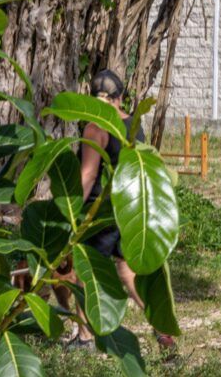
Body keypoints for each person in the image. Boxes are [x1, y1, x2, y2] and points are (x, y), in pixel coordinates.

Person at [64, 69, 176, 353]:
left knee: (82, 271)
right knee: (127, 272)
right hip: (126, 209)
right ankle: (163, 329)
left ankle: (86, 336)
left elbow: (88, 176)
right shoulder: (131, 124)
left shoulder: (96, 127)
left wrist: (71, 211)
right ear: (120, 97)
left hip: (98, 212)